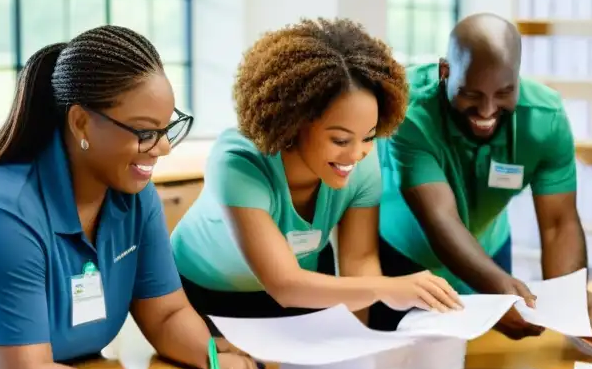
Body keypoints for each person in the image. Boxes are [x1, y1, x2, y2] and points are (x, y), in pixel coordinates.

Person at [0, 26, 271, 369]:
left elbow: (165, 314)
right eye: (146, 132)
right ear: (80, 122)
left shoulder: (133, 192)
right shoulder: (0, 211)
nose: (163, 148)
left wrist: (216, 355)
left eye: (167, 129)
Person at [170, 17, 462, 323]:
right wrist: (388, 288)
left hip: (304, 287)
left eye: (369, 137)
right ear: (294, 123)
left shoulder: (361, 163)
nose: (357, 153)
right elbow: (284, 284)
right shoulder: (237, 163)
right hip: (208, 291)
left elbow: (359, 262)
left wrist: (357, 345)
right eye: (340, 139)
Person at [373, 13, 592, 350]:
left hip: (488, 250)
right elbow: (440, 217)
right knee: (406, 366)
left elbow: (559, 224)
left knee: (488, 361)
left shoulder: (545, 119)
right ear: (445, 72)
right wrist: (494, 287)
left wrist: (570, 300)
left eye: (504, 92)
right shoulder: (409, 112)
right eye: (472, 94)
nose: (487, 110)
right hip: (407, 256)